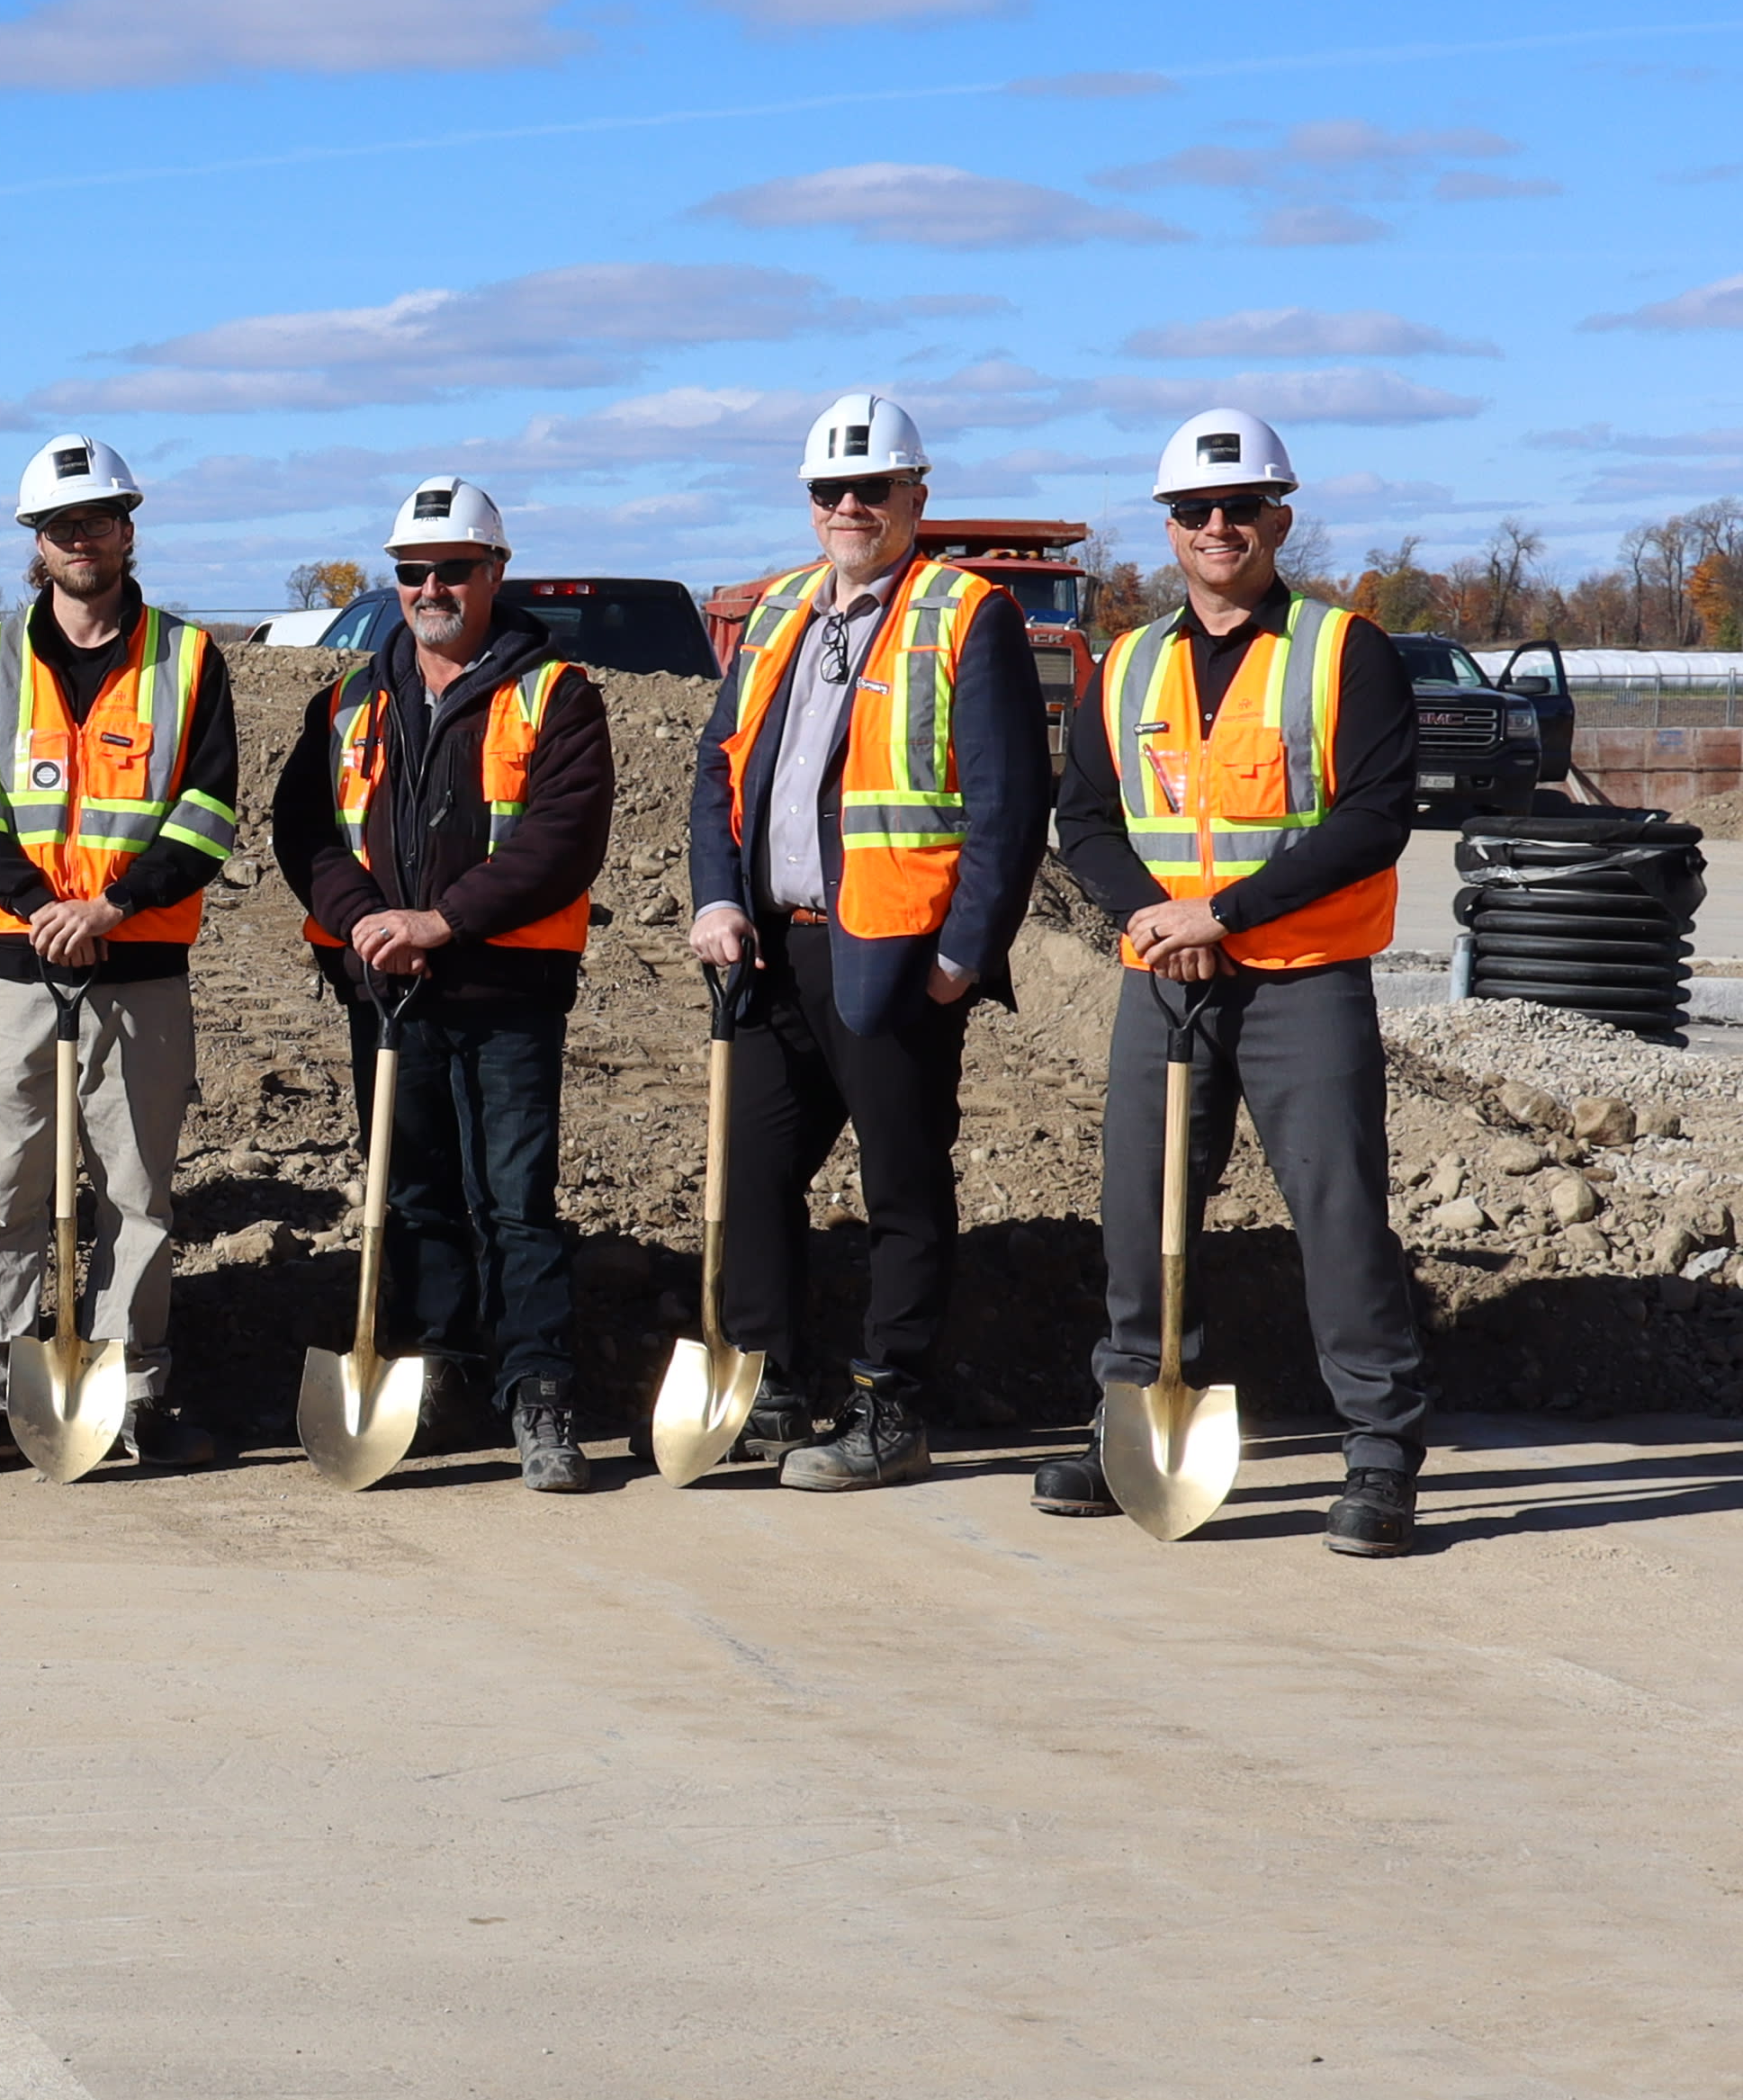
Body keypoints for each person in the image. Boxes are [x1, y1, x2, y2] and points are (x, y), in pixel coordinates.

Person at [1036, 408, 1433, 1555]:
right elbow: (1086, 820)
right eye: (1195, 512)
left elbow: (1371, 818)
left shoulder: (1339, 648)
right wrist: (1160, 921)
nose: (1219, 527)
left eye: (1240, 509)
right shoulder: (1125, 664)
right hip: (1163, 973)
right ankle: (1133, 1414)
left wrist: (1228, 912)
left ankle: (1380, 1448)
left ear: (1279, 520)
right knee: (1141, 1205)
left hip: (1302, 976)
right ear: (1169, 531)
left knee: (1339, 1208)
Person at [683, 392, 1055, 1491]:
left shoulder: (965, 611)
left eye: (872, 489)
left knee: (900, 1183)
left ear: (915, 499)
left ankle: (891, 1405)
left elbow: (1007, 801)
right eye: (829, 491)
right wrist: (717, 896)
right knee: (750, 1173)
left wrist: (964, 953)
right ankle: (770, 1383)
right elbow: (718, 768)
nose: (850, 507)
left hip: (896, 954)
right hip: (773, 951)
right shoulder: (780, 610)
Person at [0, 435, 245, 1481]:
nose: (80, 539)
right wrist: (40, 907)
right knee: (0, 1185)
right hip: (18, 965)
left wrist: (111, 904)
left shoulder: (189, 661)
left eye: (97, 520)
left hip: (139, 965)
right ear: (36, 546)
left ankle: (134, 1390)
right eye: (61, 527)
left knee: (137, 1193)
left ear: (127, 530)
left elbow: (209, 812)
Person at [270, 476, 616, 1490]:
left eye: (451, 570)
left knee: (513, 1199)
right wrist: (367, 922)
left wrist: (442, 920)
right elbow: (307, 832)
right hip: (385, 989)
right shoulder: (345, 700)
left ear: (495, 574)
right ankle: (439, 1372)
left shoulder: (556, 694)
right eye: (412, 571)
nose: (430, 588)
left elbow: (562, 841)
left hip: (506, 989)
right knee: (411, 1195)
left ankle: (540, 1392)